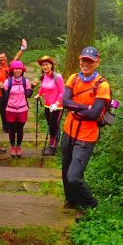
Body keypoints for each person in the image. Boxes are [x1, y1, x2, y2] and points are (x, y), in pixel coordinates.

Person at [61, 46, 111, 219]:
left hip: (86, 136)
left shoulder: (102, 85)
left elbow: (93, 114)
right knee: (65, 169)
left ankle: (90, 203)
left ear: (97, 62)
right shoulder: (74, 78)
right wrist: (85, 107)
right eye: (83, 60)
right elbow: (64, 102)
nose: (85, 63)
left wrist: (79, 108)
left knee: (74, 176)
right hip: (69, 130)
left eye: (90, 61)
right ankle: (71, 200)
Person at [3, 60, 36, 157]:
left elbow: (29, 95)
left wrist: (33, 86)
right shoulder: (7, 82)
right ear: (12, 70)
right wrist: (0, 88)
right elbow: (5, 97)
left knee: (20, 129)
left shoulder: (25, 81)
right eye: (15, 69)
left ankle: (19, 147)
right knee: (11, 129)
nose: (17, 71)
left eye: (19, 69)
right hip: (10, 109)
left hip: (22, 109)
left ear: (22, 70)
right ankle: (13, 147)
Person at [0, 38, 27, 135]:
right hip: (0, 94)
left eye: (3, 57)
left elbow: (17, 57)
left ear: (6, 58)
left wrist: (22, 48)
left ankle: (14, 127)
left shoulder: (11, 66)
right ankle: (5, 127)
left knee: (13, 111)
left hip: (11, 93)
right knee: (3, 111)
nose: (2, 59)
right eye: (0, 58)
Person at [34, 56, 65, 156]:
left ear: (51, 65)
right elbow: (42, 88)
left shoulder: (57, 76)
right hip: (47, 106)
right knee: (50, 126)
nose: (45, 67)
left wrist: (56, 104)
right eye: (43, 65)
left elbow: (62, 91)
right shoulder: (44, 76)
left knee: (54, 127)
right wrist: (39, 94)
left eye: (47, 64)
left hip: (57, 107)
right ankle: (51, 144)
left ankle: (53, 147)